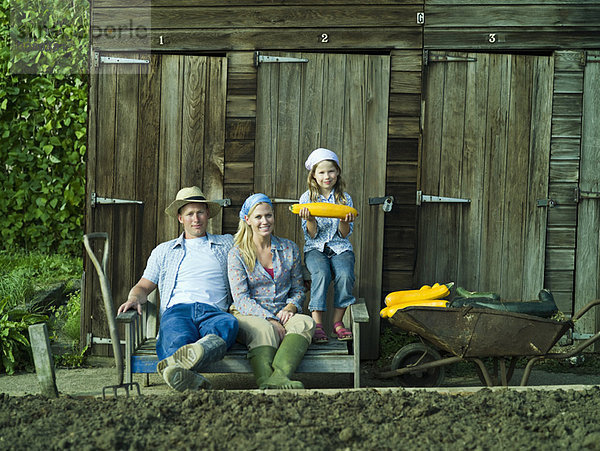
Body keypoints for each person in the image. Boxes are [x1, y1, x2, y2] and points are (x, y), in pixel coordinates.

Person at [117, 186, 239, 392]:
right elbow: (143, 286)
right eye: (190, 214)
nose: (196, 218)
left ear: (208, 214)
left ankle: (184, 363)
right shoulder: (164, 251)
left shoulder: (227, 243)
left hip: (214, 311)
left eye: (200, 212)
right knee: (175, 336)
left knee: (228, 324)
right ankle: (188, 367)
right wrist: (134, 298)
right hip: (178, 310)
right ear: (180, 218)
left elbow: (255, 245)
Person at [228, 193, 315, 389]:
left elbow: (298, 289)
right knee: (265, 330)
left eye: (268, 215)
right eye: (258, 217)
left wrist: (291, 307)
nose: (264, 221)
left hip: (283, 311)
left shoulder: (289, 248)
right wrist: (271, 319)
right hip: (249, 314)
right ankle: (264, 381)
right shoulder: (237, 254)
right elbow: (241, 299)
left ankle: (279, 377)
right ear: (247, 220)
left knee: (306, 323)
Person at [298, 148, 356, 344]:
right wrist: (310, 219)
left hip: (340, 246)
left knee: (345, 274)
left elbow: (345, 233)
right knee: (321, 274)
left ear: (337, 172)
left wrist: (344, 220)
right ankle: (317, 324)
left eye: (330, 171)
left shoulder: (345, 199)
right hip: (315, 248)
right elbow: (312, 234)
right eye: (321, 172)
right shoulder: (306, 199)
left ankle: (338, 322)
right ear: (313, 175)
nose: (326, 176)